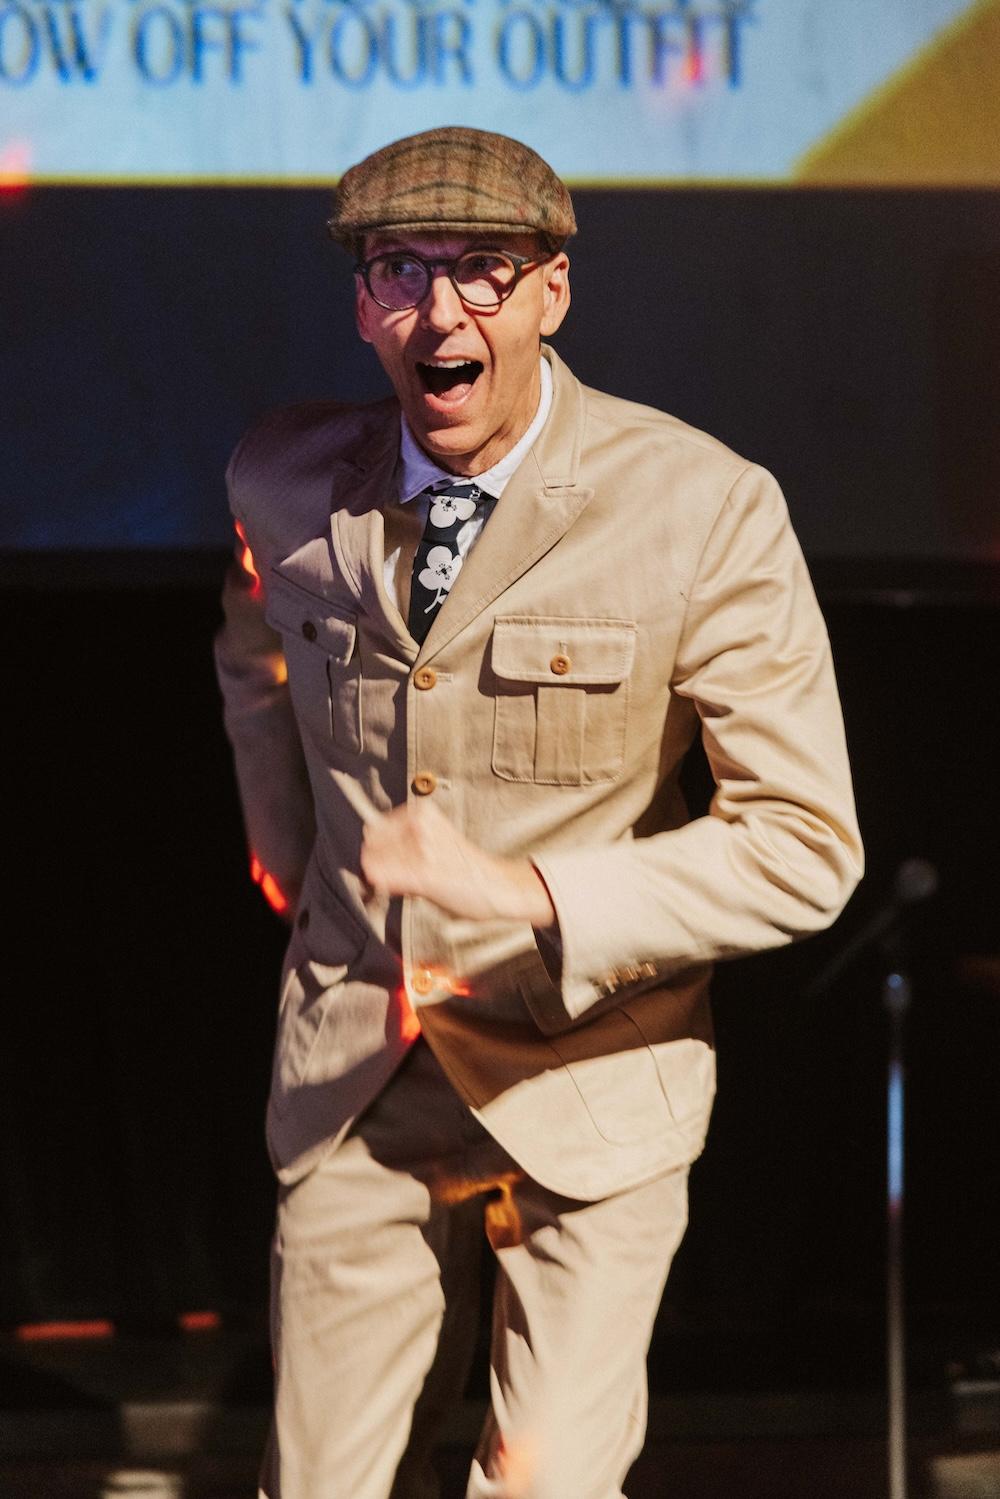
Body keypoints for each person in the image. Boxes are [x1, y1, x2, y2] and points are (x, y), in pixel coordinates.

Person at [214, 125, 863, 1499]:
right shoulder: (285, 482)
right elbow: (256, 658)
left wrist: (531, 895)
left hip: (590, 1074)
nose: (442, 311)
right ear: (363, 305)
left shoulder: (701, 509)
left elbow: (806, 847)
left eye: (484, 272)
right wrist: (293, 861)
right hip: (363, 1061)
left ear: (553, 292)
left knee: (544, 1485)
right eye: (402, 270)